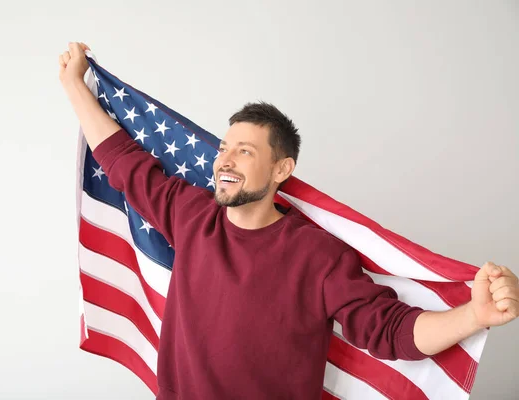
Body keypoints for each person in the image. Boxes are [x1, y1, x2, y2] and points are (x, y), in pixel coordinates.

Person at [59, 42, 519, 400]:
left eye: (245, 151)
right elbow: (124, 164)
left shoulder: (317, 256)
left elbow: (391, 331)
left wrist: (474, 315)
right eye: (224, 147)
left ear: (282, 170)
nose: (224, 160)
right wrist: (74, 84)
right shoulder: (190, 214)